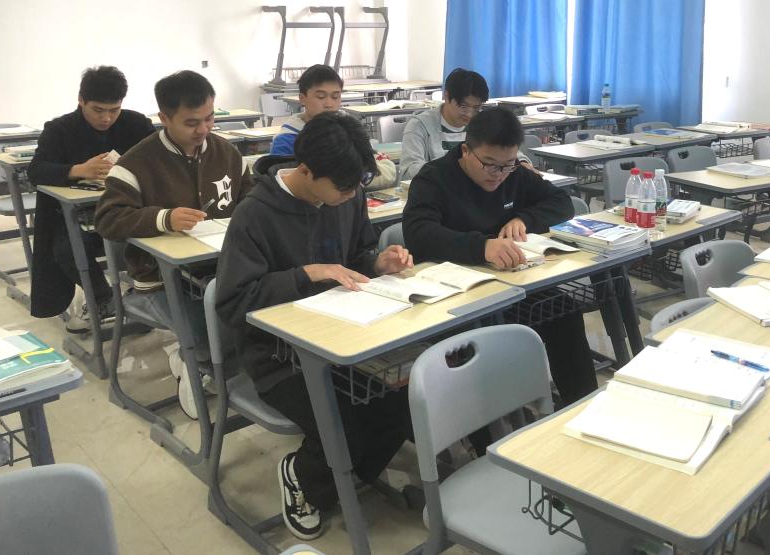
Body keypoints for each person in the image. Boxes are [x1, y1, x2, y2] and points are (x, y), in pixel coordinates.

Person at [215, 112, 413, 540]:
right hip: (278, 357)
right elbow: (233, 301)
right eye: (342, 188)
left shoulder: (347, 194)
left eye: (357, 185)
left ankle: (344, 474)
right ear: (305, 170)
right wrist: (307, 274)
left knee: (401, 403)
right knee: (342, 423)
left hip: (344, 339)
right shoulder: (255, 214)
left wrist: (377, 263)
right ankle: (305, 477)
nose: (351, 195)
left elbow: (355, 258)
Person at [403, 107, 597, 405]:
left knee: (564, 311)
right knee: (482, 342)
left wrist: (524, 219)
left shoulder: (513, 173)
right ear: (466, 150)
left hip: (508, 286)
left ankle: (582, 407)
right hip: (454, 297)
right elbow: (419, 234)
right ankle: (492, 420)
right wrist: (481, 247)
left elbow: (561, 202)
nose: (498, 175)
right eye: (490, 165)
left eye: (507, 165)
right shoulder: (434, 179)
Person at [95, 70, 252, 419]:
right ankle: (195, 364)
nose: (203, 129)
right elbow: (107, 220)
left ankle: (216, 369)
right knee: (204, 330)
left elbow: (251, 201)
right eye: (191, 122)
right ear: (164, 118)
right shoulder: (135, 164)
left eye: (209, 118)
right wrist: (162, 218)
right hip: (160, 280)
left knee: (255, 316)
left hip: (221, 269)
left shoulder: (227, 154)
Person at [27, 66, 155, 332]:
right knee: (66, 248)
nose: (106, 118)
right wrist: (78, 170)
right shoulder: (60, 129)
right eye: (98, 110)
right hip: (77, 218)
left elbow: (159, 160)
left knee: (154, 238)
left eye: (114, 110)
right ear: (81, 100)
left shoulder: (136, 124)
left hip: (128, 210)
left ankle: (144, 298)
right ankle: (103, 299)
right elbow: (36, 171)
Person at [270, 64, 396, 189]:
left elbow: (381, 170)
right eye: (321, 97)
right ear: (302, 99)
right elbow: (287, 186)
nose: (329, 104)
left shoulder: (349, 130)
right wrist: (358, 176)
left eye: (335, 97)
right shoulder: (286, 141)